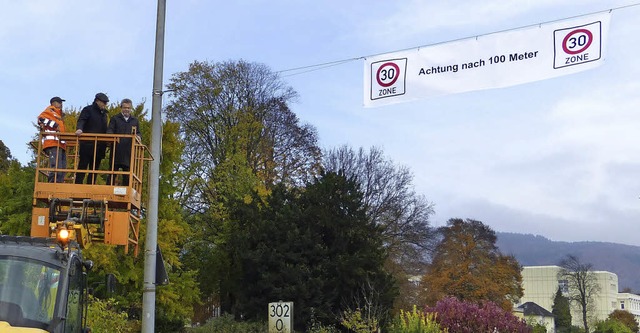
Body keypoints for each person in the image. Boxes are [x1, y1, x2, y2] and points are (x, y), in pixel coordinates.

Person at [75, 92, 109, 184]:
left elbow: (105, 129)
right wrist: (79, 129)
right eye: (103, 102)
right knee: (83, 166)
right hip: (87, 144)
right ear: (97, 101)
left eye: (106, 103)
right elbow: (82, 120)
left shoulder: (104, 115)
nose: (105, 105)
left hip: (100, 146)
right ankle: (78, 185)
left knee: (94, 168)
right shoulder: (88, 110)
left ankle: (90, 186)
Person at [106, 98, 141, 186]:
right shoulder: (115, 119)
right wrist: (110, 137)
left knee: (127, 174)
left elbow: (139, 133)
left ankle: (126, 190)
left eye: (128, 108)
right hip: (116, 150)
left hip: (129, 151)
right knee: (112, 172)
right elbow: (110, 130)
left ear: (131, 108)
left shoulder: (135, 120)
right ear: (121, 108)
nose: (126, 110)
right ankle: (109, 188)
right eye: (125, 107)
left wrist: (139, 137)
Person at [37, 96, 67, 183]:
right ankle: (52, 185)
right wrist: (54, 125)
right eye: (59, 102)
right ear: (54, 103)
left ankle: (59, 184)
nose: (61, 104)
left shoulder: (58, 115)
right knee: (55, 166)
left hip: (60, 144)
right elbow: (40, 119)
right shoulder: (49, 111)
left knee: (62, 167)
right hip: (52, 143)